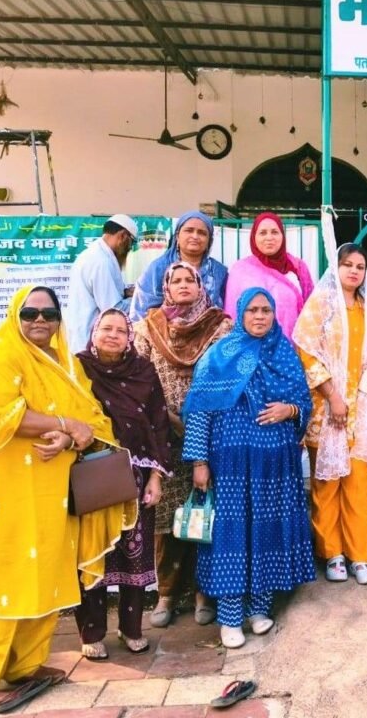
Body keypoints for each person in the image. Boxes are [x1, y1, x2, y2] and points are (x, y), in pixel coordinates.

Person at [0, 286, 136, 712]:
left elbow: (90, 419)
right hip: (8, 494)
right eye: (30, 312)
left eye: (49, 313)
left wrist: (71, 436)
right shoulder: (3, 354)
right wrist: (64, 423)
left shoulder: (65, 362)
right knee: (3, 582)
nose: (40, 320)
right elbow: (4, 414)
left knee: (47, 577)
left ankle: (25, 666)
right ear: (15, 315)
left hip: (55, 494)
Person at [183, 287, 316, 649]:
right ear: (240, 314)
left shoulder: (284, 352)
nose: (259, 316)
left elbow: (304, 403)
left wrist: (290, 410)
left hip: (274, 465)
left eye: (266, 310)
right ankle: (229, 617)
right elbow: (200, 410)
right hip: (230, 465)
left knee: (266, 532)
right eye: (253, 310)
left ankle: (258, 608)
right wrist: (199, 462)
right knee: (231, 534)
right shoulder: (219, 354)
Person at [133, 262, 232, 629]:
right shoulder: (148, 328)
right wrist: (170, 420)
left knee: (207, 513)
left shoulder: (220, 326)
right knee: (168, 516)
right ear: (166, 288)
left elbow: (227, 376)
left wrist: (198, 423)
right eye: (176, 280)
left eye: (191, 279)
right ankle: (168, 593)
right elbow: (140, 379)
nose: (184, 285)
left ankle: (205, 592)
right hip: (163, 435)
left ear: (201, 286)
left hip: (211, 432)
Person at [74, 309, 172, 660]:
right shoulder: (77, 369)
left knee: (135, 555)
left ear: (130, 336)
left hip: (136, 476)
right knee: (93, 552)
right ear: (94, 331)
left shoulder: (143, 371)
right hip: (93, 472)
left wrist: (156, 477)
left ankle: (131, 629)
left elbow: (159, 424)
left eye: (121, 330)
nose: (113, 335)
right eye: (106, 328)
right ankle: (91, 632)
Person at [293, 243, 367, 585]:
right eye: (348, 265)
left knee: (358, 483)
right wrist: (332, 395)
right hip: (326, 407)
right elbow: (306, 351)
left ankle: (360, 556)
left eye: (360, 266)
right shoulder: (321, 306)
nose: (354, 271)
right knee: (327, 484)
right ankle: (332, 553)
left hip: (361, 407)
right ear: (336, 267)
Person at [225, 211, 315, 339]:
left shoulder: (298, 267)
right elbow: (232, 314)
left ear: (282, 236)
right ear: (254, 237)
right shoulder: (240, 270)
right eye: (263, 233)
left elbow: (311, 309)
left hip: (290, 345)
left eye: (274, 232)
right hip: (251, 346)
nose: (269, 237)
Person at [130, 210, 228, 320]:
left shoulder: (219, 271)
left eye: (202, 233)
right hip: (162, 330)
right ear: (177, 236)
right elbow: (140, 313)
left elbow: (227, 310)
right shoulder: (158, 268)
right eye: (189, 230)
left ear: (209, 240)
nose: (195, 236)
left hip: (210, 329)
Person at [66, 214, 138, 352]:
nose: (130, 248)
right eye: (132, 242)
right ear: (123, 236)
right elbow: (112, 309)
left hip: (85, 338)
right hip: (90, 342)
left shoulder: (96, 254)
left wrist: (125, 292)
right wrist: (139, 297)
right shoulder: (100, 261)